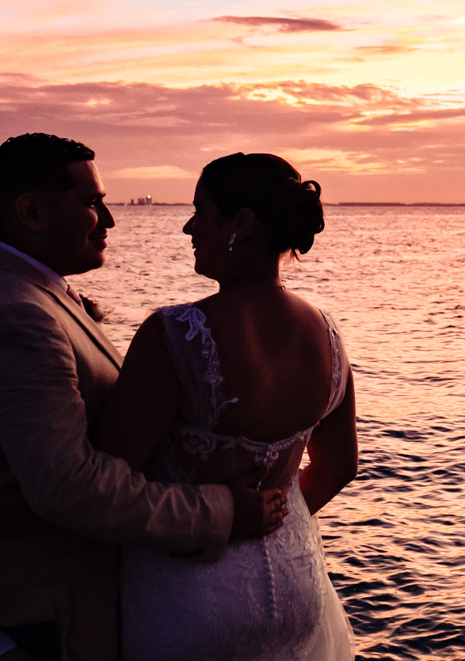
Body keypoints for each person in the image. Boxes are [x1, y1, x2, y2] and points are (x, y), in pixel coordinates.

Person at [0, 134, 287, 661]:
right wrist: (219, 511)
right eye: (92, 203)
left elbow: (8, 450)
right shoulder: (18, 315)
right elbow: (68, 487)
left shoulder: (16, 293)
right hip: (39, 614)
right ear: (31, 212)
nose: (110, 219)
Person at [105, 151, 357, 660]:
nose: (188, 227)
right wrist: (276, 516)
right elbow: (340, 468)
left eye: (201, 212)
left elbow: (107, 476)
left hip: (190, 594)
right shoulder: (326, 334)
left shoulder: (176, 334)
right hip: (295, 585)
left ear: (241, 223)